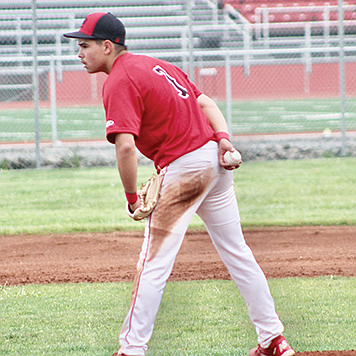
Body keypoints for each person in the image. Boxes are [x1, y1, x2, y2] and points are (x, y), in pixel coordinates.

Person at [63, 12, 295, 356]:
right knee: (238, 254)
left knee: (152, 264)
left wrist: (131, 198)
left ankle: (132, 349)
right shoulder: (159, 65)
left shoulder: (119, 79)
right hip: (213, 162)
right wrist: (223, 138)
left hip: (186, 167)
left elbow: (125, 146)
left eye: (84, 45)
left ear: (108, 46)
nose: (79, 53)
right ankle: (273, 339)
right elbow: (205, 102)